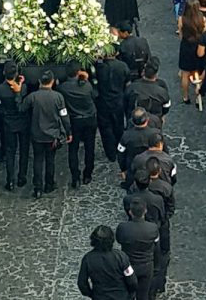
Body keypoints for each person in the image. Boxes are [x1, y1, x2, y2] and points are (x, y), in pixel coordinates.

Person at [15, 69, 72, 198]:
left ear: (40, 81)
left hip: (37, 134)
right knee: (50, 160)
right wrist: (68, 132)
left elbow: (21, 108)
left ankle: (38, 187)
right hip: (52, 136)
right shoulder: (58, 97)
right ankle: (49, 184)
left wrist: (18, 93)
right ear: (52, 81)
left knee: (37, 160)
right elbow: (64, 116)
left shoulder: (33, 96)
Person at [56, 61, 97, 188]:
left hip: (74, 121)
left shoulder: (62, 88)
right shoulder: (87, 86)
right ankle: (87, 174)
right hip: (89, 119)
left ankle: (75, 177)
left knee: (73, 149)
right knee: (90, 147)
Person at [78, 225, 138, 300]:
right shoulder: (121, 257)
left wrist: (92, 294)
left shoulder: (88, 259)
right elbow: (132, 281)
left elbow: (82, 283)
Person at [115, 198, 159, 300]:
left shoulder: (123, 227)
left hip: (128, 265)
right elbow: (157, 246)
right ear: (145, 211)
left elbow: (119, 240)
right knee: (143, 295)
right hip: (146, 265)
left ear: (130, 212)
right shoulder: (152, 228)